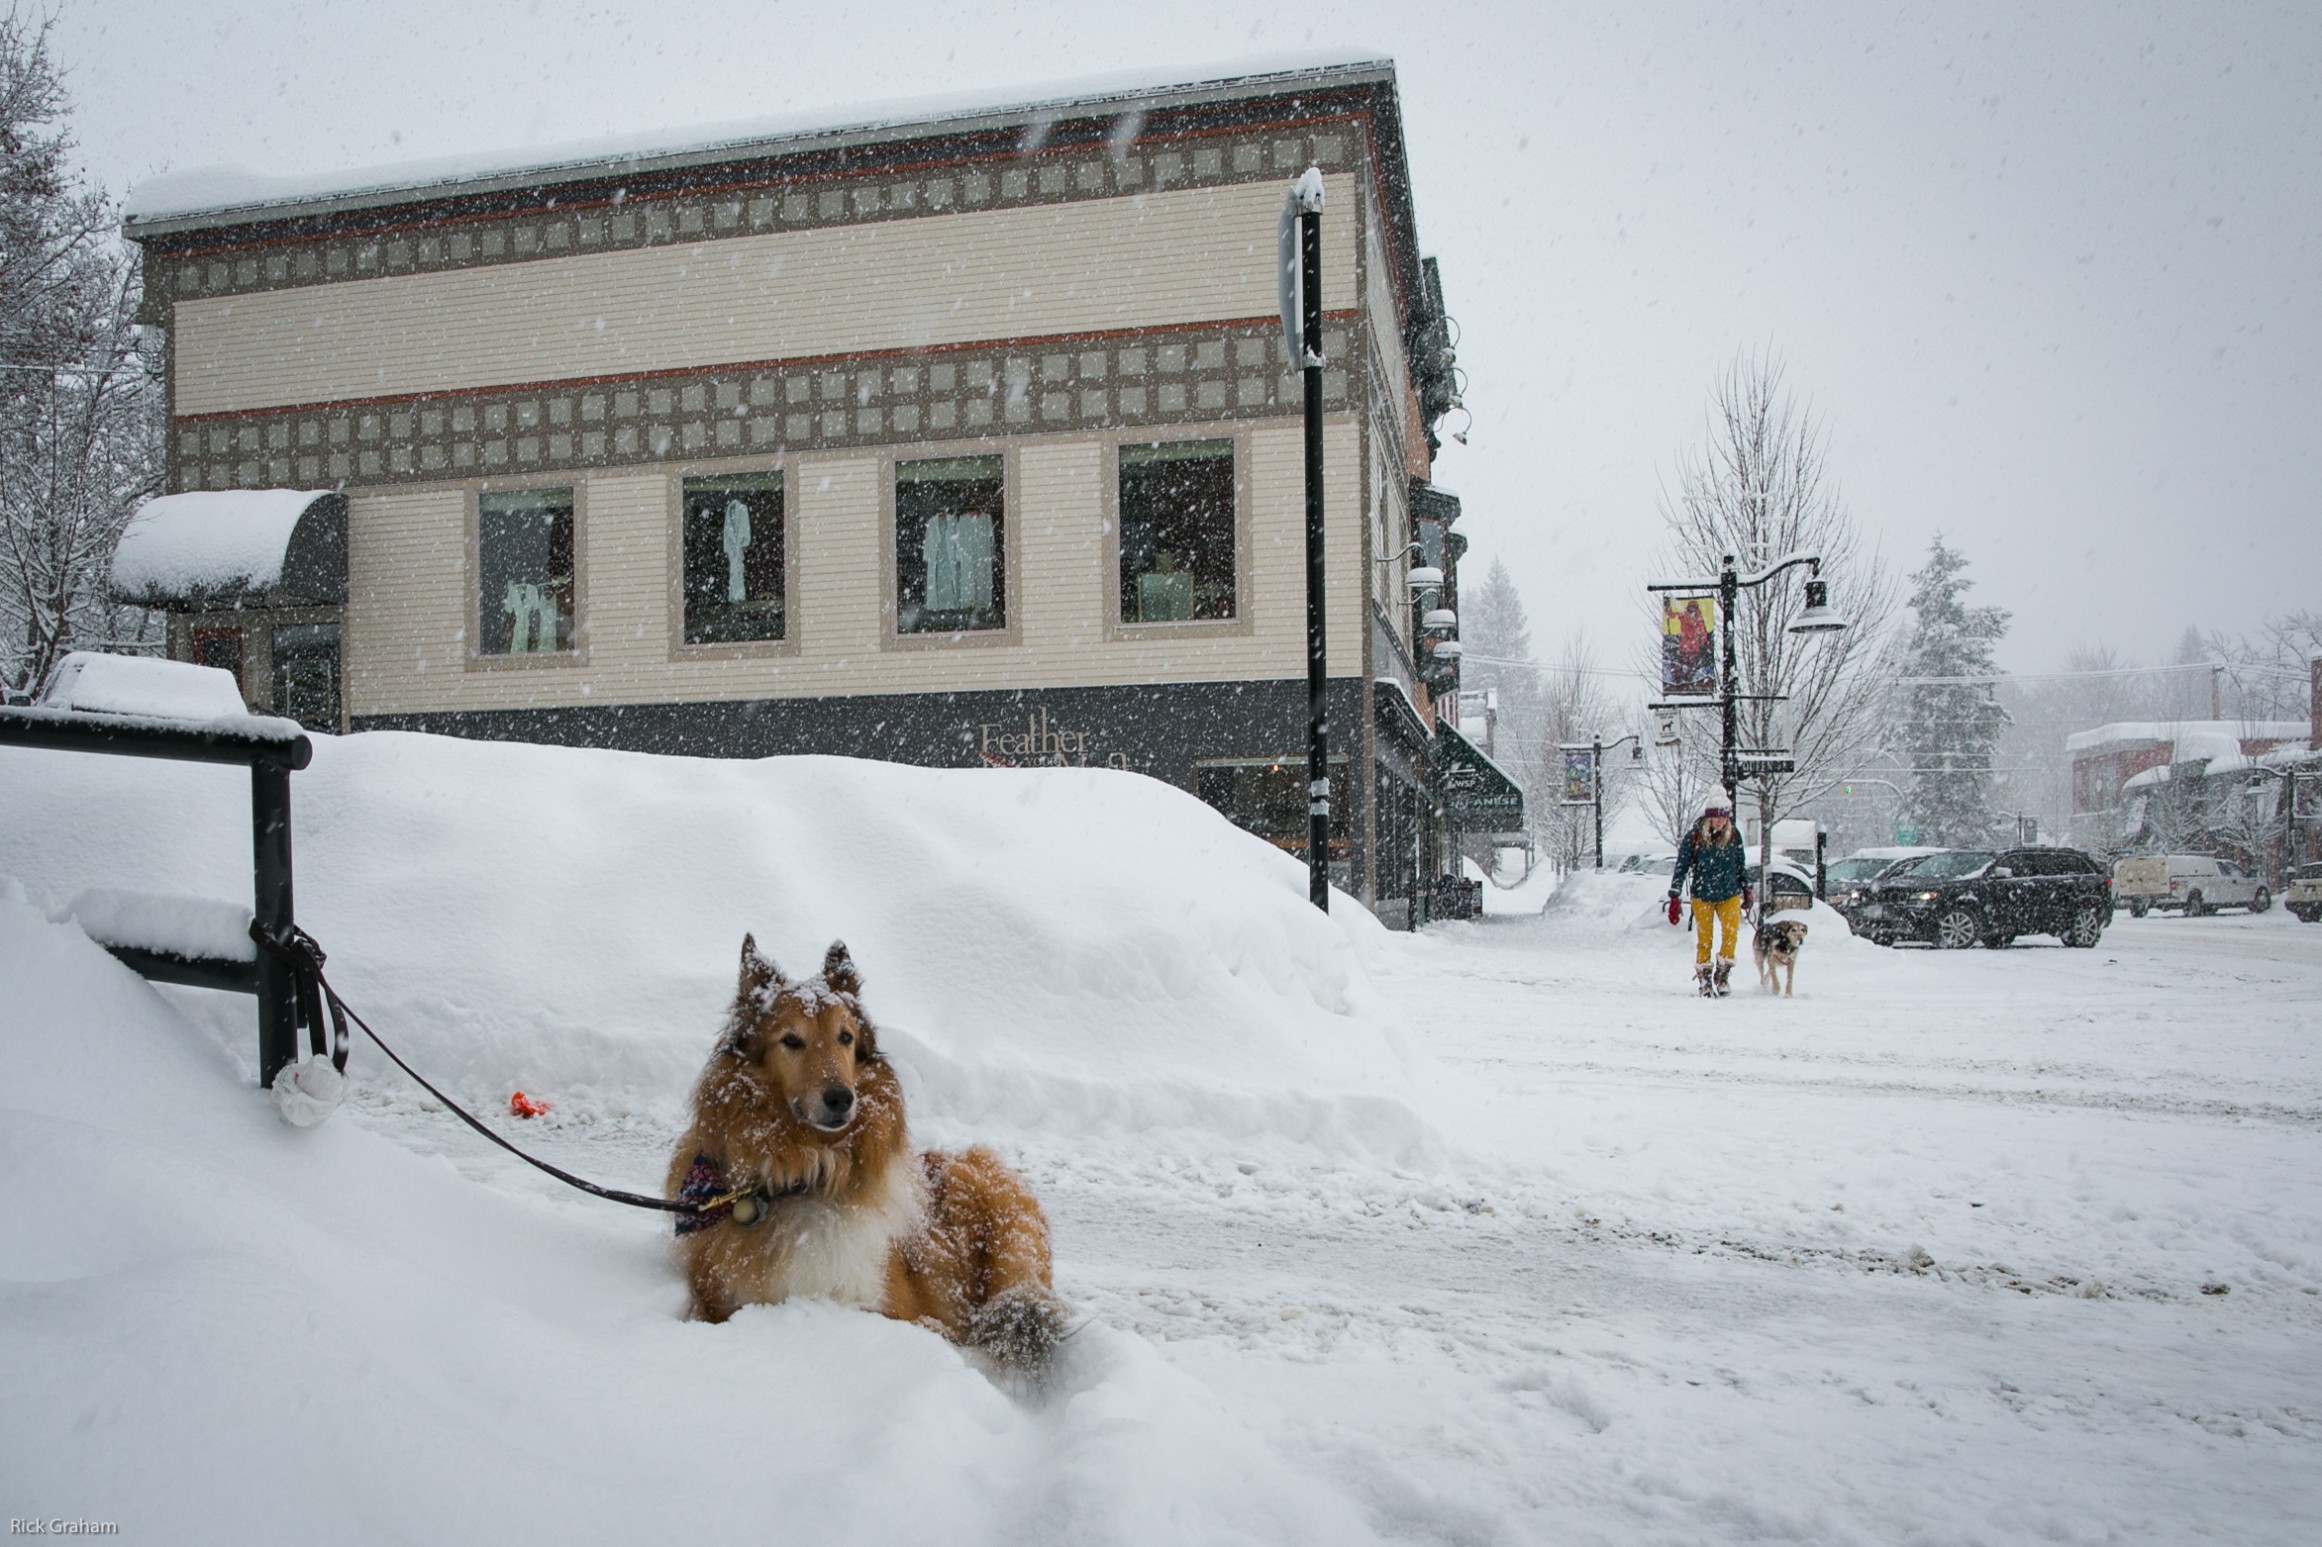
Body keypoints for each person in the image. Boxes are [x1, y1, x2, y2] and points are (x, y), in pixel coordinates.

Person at [1667, 799, 1753, 996]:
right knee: (1704, 939)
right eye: (1716, 817)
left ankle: (1722, 975)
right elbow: (1682, 866)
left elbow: (1740, 863)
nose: (1720, 822)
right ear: (1709, 816)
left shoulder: (1734, 835)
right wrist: (1675, 894)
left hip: (1729, 893)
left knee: (1731, 935)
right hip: (1702, 893)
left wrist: (1746, 888)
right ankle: (1704, 979)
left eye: (1724, 817)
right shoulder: (1695, 836)